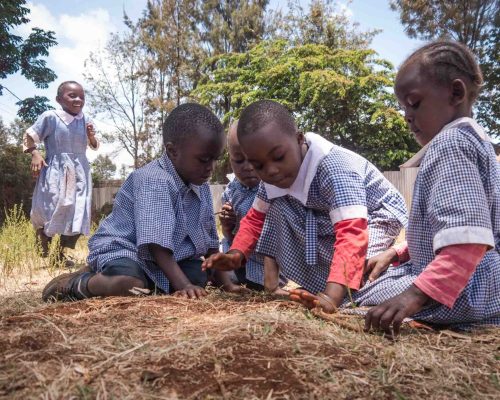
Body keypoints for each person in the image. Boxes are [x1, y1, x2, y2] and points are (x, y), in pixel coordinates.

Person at [203, 100, 408, 310]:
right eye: (259, 165)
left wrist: (331, 298)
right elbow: (255, 218)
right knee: (276, 206)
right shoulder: (274, 178)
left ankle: (349, 293)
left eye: (279, 157)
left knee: (361, 274)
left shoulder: (334, 168)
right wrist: (236, 255)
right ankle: (326, 288)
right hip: (325, 216)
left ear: (299, 139)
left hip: (377, 216)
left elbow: (351, 234)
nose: (271, 171)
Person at [355, 40, 500, 334]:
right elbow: (452, 226)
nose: (406, 116)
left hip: (466, 285)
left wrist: (415, 296)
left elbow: (467, 240)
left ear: (455, 93)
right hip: (478, 279)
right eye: (402, 107)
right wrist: (398, 253)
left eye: (414, 103)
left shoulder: (451, 145)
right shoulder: (475, 142)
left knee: (359, 299)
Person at [42, 103, 224, 302]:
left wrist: (227, 283)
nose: (211, 168)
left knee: (199, 275)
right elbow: (158, 247)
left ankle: (136, 280)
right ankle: (76, 284)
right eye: (204, 159)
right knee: (129, 283)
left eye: (215, 159)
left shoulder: (201, 185)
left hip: (169, 258)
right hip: (126, 249)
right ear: (172, 151)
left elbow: (210, 246)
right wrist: (184, 286)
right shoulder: (155, 180)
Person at [23, 81, 98, 266]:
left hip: (80, 170)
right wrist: (35, 154)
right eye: (72, 95)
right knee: (51, 205)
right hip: (56, 170)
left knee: (79, 210)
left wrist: (91, 137)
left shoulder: (85, 119)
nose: (78, 99)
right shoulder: (51, 116)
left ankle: (60, 254)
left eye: (81, 96)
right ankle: (43, 236)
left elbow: (95, 146)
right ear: (58, 99)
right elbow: (29, 137)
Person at [216, 121, 285, 292]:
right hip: (238, 260)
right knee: (213, 274)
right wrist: (227, 226)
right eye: (239, 161)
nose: (247, 167)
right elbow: (230, 238)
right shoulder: (232, 190)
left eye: (253, 160)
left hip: (267, 267)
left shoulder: (274, 188)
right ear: (229, 158)